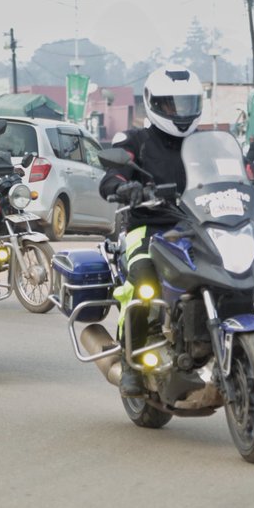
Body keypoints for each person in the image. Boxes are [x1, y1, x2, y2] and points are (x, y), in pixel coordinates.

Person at [98, 65, 203, 398]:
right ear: (154, 104)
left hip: (197, 228)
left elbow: (236, 171)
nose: (180, 112)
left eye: (186, 104)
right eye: (171, 105)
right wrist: (125, 186)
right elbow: (111, 175)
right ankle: (131, 361)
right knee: (143, 283)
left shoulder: (203, 143)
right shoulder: (135, 140)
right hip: (147, 227)